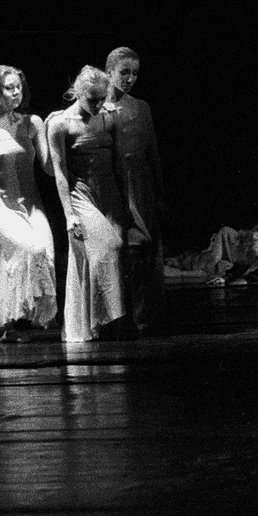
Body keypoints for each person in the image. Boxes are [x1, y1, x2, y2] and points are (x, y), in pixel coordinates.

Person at [0, 65, 58, 342]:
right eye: (9, 87)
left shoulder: (32, 123)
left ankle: (10, 323)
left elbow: (49, 168)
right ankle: (6, 318)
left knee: (47, 255)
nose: (16, 92)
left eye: (18, 86)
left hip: (31, 205)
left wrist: (54, 126)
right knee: (30, 248)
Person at [46, 66, 132, 342]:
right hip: (80, 196)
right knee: (110, 247)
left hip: (108, 194)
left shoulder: (108, 118)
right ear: (77, 93)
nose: (97, 105)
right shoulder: (60, 123)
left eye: (101, 99)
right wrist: (68, 214)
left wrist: (126, 203)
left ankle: (94, 326)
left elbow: (119, 162)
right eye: (91, 100)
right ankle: (109, 319)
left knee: (99, 258)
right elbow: (58, 171)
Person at [104, 47, 167, 330]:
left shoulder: (141, 107)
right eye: (124, 72)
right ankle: (120, 316)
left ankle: (144, 316)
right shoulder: (99, 106)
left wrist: (159, 191)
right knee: (121, 248)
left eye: (135, 73)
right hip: (114, 183)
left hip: (140, 184)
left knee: (146, 248)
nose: (130, 79)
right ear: (109, 72)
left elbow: (152, 150)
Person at [168, 227, 258, 287]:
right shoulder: (232, 235)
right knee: (185, 260)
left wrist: (223, 277)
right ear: (256, 236)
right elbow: (223, 233)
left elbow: (235, 271)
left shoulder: (249, 258)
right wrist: (218, 263)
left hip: (211, 269)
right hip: (205, 261)